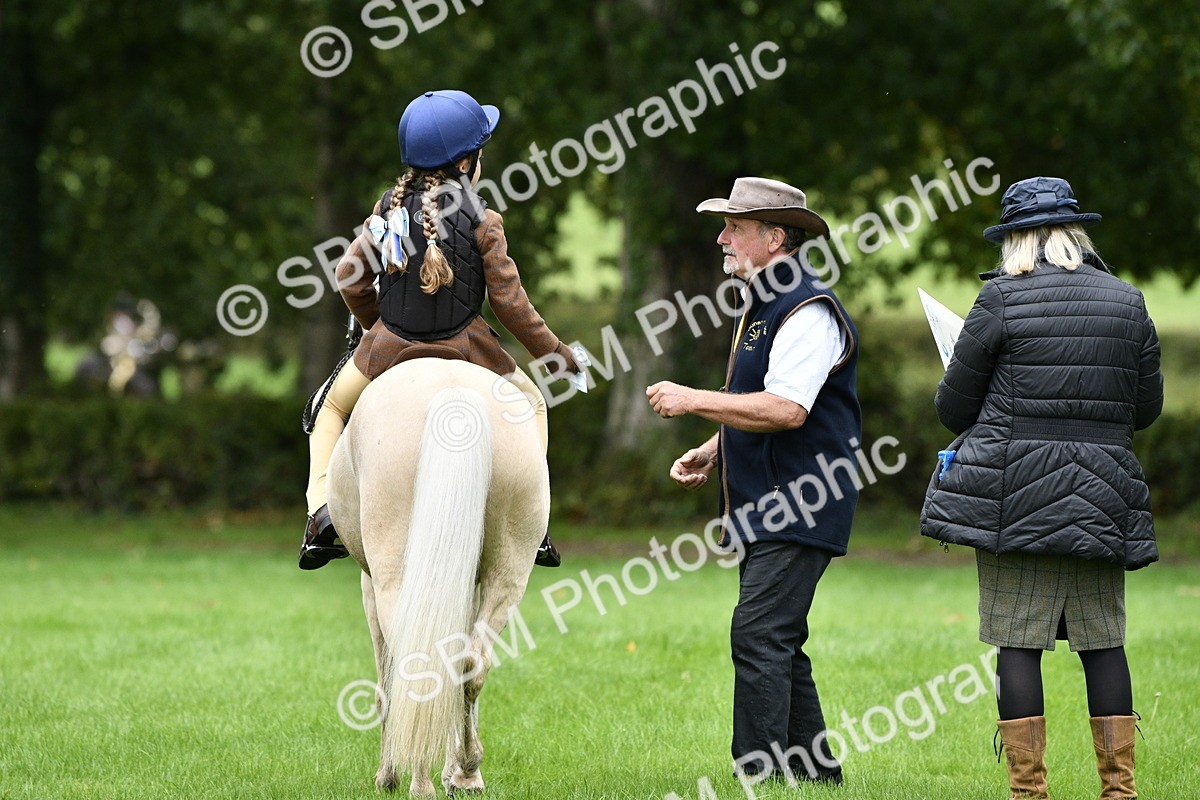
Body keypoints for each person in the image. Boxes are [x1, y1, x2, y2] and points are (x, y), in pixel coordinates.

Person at [921, 176, 1163, 800]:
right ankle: (1120, 791)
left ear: (1014, 241)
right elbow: (1146, 409)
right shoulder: (1127, 301)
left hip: (1013, 493)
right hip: (1104, 494)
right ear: (1074, 232)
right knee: (1103, 642)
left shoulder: (999, 300)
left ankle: (1029, 794)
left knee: (1018, 643)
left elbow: (954, 409)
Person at [299, 89, 580, 570]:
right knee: (533, 402)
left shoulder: (387, 209)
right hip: (469, 350)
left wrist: (377, 330)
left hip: (387, 347)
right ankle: (532, 525)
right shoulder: (485, 219)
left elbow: (348, 276)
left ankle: (320, 517)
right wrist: (558, 355)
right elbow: (510, 304)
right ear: (468, 162)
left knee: (328, 409)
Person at [647, 177, 861, 785]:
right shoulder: (764, 302)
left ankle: (757, 777)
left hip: (804, 499)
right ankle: (819, 778)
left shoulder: (805, 307)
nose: (722, 238)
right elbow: (760, 401)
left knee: (759, 630)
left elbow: (789, 409)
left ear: (774, 238)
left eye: (734, 228)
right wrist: (714, 449)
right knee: (780, 638)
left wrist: (694, 399)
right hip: (769, 503)